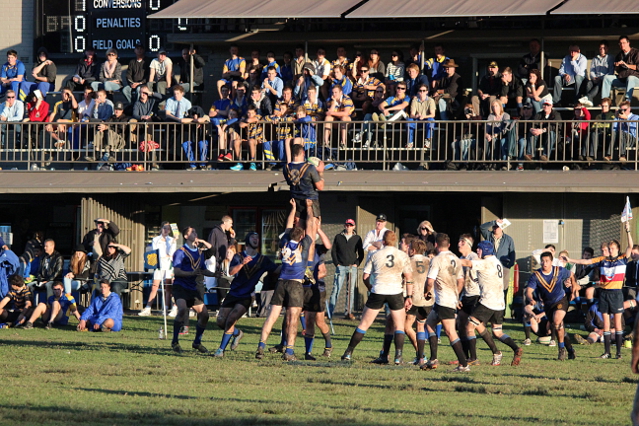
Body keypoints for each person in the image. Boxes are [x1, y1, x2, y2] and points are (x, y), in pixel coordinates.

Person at [256, 199, 315, 361]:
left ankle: (261, 346)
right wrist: (309, 208)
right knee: (293, 318)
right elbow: (310, 225)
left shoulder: (284, 242)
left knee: (272, 317)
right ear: (302, 235)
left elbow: (288, 226)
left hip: (281, 282)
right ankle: (289, 351)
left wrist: (293, 208)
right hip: (295, 284)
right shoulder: (304, 245)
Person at [563, 222, 633, 359]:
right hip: (604, 294)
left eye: (613, 248)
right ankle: (607, 352)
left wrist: (628, 231)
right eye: (609, 248)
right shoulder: (602, 260)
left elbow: (630, 246)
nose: (611, 250)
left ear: (618, 249)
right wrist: (570, 259)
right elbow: (586, 262)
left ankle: (618, 353)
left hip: (616, 294)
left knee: (618, 324)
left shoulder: (622, 259)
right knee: (606, 324)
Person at [341, 231, 412, 364]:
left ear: (383, 241)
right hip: (395, 292)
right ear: (395, 242)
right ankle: (398, 357)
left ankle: (348, 352)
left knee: (364, 324)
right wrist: (409, 296)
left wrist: (370, 287)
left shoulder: (375, 255)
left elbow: (365, 276)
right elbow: (409, 278)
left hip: (378, 290)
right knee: (399, 326)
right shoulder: (402, 255)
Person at [213, 232, 279, 357]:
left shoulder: (263, 260)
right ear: (248, 240)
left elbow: (276, 269)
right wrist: (242, 264)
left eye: (257, 237)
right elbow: (231, 272)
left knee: (231, 319)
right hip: (233, 293)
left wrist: (293, 265)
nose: (256, 239)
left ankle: (220, 350)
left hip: (246, 296)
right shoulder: (238, 256)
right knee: (221, 321)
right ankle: (237, 333)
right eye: (253, 237)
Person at [462, 241, 524, 366]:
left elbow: (468, 263)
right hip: (499, 302)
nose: (477, 252)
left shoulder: (485, 262)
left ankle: (473, 357)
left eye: (479, 249)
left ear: (484, 250)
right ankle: (514, 349)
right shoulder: (496, 262)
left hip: (488, 301)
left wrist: (449, 259)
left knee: (469, 326)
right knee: (497, 332)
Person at [421, 233, 468, 372]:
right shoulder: (455, 258)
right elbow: (461, 281)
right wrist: (456, 295)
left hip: (444, 301)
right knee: (429, 324)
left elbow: (430, 281)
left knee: (450, 332)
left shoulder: (437, 259)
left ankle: (463, 364)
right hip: (448, 299)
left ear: (435, 245)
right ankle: (433, 358)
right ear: (449, 245)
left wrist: (426, 291)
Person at [170, 226, 214, 353]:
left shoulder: (199, 252)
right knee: (182, 309)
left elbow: (203, 269)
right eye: (192, 232)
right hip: (180, 286)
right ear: (185, 236)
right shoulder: (180, 252)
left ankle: (197, 342)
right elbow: (177, 271)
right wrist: (191, 273)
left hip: (193, 288)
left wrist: (216, 274)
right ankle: (175, 341)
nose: (195, 233)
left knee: (204, 315)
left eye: (195, 231)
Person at [527, 251, 577, 360]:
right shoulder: (536, 275)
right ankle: (570, 349)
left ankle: (561, 350)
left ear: (551, 262)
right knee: (559, 327)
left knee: (557, 322)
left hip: (561, 300)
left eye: (547, 261)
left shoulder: (559, 271)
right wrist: (531, 299)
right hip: (548, 305)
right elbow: (529, 291)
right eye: (543, 261)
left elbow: (572, 275)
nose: (544, 263)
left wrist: (573, 289)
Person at [303, 225, 333, 360]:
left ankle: (328, 345)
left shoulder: (317, 249)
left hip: (318, 290)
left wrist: (318, 229)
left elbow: (328, 245)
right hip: (304, 289)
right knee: (308, 320)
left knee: (319, 322)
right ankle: (308, 352)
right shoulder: (301, 249)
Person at [329, 218, 364, 319]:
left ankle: (348, 313)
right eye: (347, 225)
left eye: (350, 225)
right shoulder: (338, 237)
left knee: (350, 291)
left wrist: (356, 264)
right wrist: (337, 264)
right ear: (345, 226)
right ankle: (330, 312)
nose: (348, 226)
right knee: (336, 289)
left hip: (351, 267)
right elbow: (333, 252)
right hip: (340, 267)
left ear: (354, 226)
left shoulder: (357, 238)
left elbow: (360, 253)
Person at [139, 222, 177, 317]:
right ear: (161, 228)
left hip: (168, 265)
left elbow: (171, 253)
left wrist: (173, 242)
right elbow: (156, 252)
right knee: (154, 286)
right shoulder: (156, 239)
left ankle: (166, 308)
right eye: (164, 228)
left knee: (168, 287)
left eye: (168, 228)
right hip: (159, 266)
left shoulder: (171, 240)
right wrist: (165, 256)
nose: (166, 230)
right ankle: (148, 308)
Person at [405, 239, 431, 366]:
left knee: (406, 326)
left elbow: (404, 277)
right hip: (427, 299)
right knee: (420, 326)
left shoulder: (409, 261)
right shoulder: (429, 261)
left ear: (413, 250)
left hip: (414, 298)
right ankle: (421, 356)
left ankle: (421, 355)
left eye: (409, 247)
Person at [284, 144, 325, 221]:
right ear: (303, 153)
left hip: (295, 199)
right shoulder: (310, 168)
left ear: (292, 153)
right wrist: (320, 173)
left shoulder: (286, 168)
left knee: (298, 226)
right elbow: (320, 187)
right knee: (313, 225)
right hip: (310, 199)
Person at [480, 219, 516, 302]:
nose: (496, 228)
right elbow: (482, 228)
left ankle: (502, 310)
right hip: (490, 267)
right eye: (495, 226)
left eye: (498, 226)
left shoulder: (508, 239)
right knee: (491, 288)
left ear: (502, 228)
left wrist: (509, 264)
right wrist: (493, 222)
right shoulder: (489, 236)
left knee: (503, 288)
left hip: (504, 267)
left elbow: (512, 252)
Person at [601, 35, 639, 104]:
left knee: (630, 78)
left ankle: (627, 101)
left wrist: (627, 65)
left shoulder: (636, 53)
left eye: (624, 43)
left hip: (635, 79)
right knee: (607, 78)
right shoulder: (619, 55)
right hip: (622, 79)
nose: (622, 45)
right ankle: (605, 101)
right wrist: (617, 66)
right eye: (620, 43)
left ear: (628, 43)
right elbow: (618, 71)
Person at [579, 41, 614, 108]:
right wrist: (594, 77)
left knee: (600, 84)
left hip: (604, 80)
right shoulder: (595, 59)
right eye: (600, 48)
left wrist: (601, 78)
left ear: (607, 48)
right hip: (595, 78)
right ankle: (590, 102)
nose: (602, 50)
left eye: (604, 48)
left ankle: (587, 97)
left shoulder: (610, 58)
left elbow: (611, 71)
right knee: (589, 83)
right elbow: (592, 70)